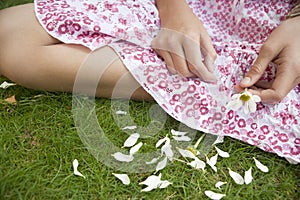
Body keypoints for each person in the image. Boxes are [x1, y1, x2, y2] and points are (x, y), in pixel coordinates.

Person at [0, 0, 299, 163]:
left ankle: (177, 82)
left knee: (14, 48)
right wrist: (174, 9)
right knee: (10, 31)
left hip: (277, 30)